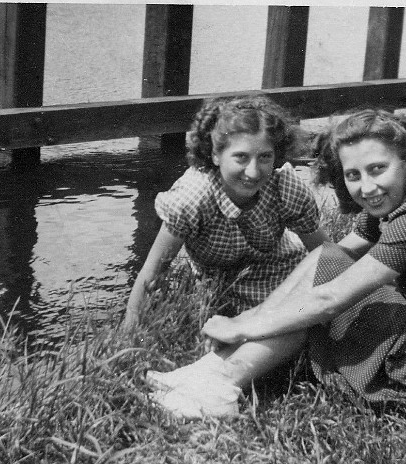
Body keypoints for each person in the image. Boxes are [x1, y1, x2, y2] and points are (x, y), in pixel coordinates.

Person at [150, 108, 406, 420]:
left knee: (324, 300)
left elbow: (329, 299)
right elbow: (327, 258)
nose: (368, 187)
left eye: (378, 169)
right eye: (353, 175)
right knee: (326, 260)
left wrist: (242, 326)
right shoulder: (397, 200)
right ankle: (213, 369)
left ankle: (224, 382)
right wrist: (253, 319)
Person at [125, 96, 329, 408]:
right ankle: (201, 377)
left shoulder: (284, 187)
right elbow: (152, 274)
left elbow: (325, 254)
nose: (253, 171)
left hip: (283, 276)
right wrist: (129, 337)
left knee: (299, 319)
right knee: (267, 326)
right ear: (215, 154)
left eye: (265, 157)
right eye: (241, 157)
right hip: (222, 290)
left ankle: (215, 385)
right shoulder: (192, 198)